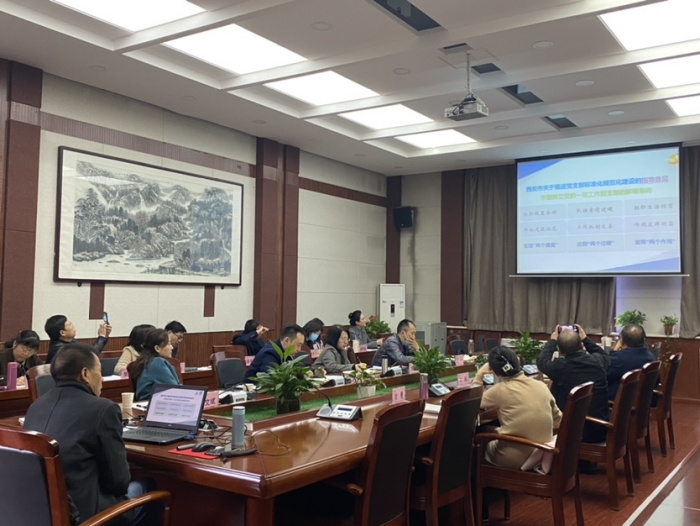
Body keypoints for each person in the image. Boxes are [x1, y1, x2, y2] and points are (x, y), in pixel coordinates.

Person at [24, 344, 162, 526]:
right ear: (85, 374)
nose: (102, 379)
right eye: (99, 372)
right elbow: (118, 483)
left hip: (41, 513)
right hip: (85, 517)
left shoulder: (36, 406)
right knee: (147, 488)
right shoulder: (103, 409)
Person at [473, 346, 562, 469]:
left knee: (477, 438)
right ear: (518, 361)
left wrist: (479, 375)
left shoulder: (499, 390)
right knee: (489, 429)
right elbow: (558, 421)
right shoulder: (541, 386)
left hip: (515, 458)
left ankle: (480, 480)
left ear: (495, 372)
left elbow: (473, 401)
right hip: (544, 452)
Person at [537, 324, 611, 446]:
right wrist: (586, 339)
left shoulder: (560, 367)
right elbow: (606, 356)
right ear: (582, 346)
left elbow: (541, 362)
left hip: (573, 431)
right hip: (601, 427)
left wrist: (552, 341)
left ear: (560, 351)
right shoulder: (598, 360)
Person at [606, 323, 657, 400]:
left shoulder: (619, 358)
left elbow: (606, 378)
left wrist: (614, 350)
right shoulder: (652, 357)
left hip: (620, 401)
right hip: (645, 400)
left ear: (621, 340)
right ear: (644, 340)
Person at [130, 329, 180, 401]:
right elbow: (175, 389)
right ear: (157, 348)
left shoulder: (145, 361)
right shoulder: (157, 362)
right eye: (168, 344)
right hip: (157, 402)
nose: (172, 347)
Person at [45, 314, 111, 364]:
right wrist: (101, 337)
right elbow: (90, 355)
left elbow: (89, 350)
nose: (73, 327)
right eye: (70, 324)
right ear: (63, 333)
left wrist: (105, 336)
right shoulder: (60, 349)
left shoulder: (71, 341)